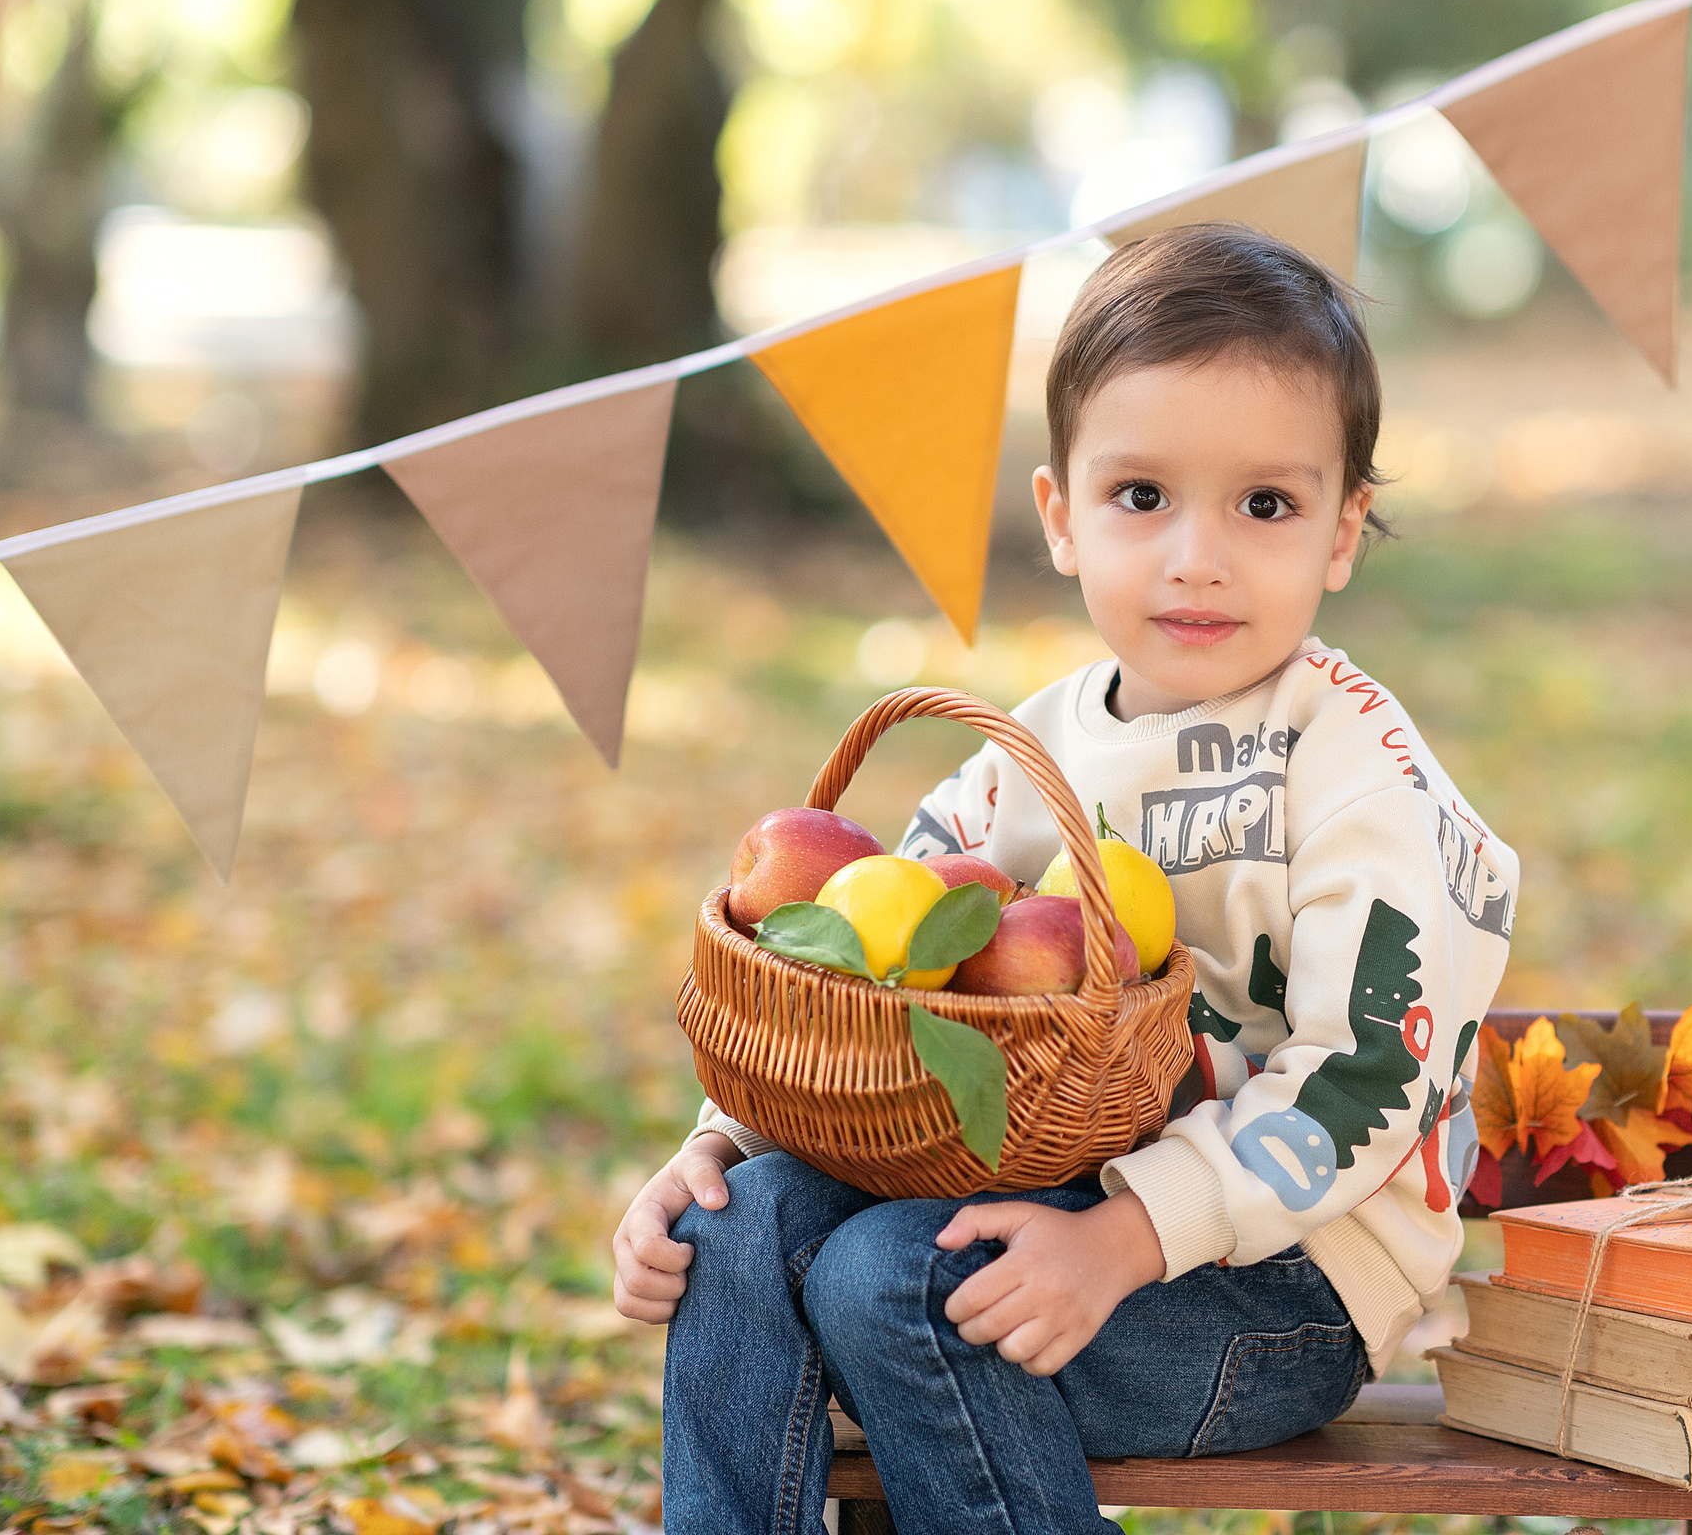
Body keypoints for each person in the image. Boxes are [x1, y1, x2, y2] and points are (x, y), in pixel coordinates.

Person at [609, 222, 1521, 1535]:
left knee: (892, 1278)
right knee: (743, 1226)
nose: (1194, 556)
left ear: (1342, 530)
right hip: (1050, 1199)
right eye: (1141, 497)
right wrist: (714, 1147)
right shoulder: (1026, 760)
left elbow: (1366, 1076)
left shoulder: (1360, 776)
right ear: (1062, 516)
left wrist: (1123, 1242)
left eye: (1264, 504)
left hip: (1288, 1287)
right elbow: (875, 979)